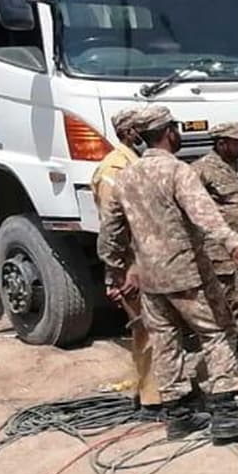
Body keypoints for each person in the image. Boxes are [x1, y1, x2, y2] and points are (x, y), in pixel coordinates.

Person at [98, 106, 238, 443]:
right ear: (169, 132)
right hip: (187, 273)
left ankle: (179, 415)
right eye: (175, 129)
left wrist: (114, 272)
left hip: (150, 278)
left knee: (166, 341)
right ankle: (226, 413)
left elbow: (110, 233)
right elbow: (204, 214)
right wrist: (235, 244)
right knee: (217, 332)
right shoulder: (177, 170)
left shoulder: (127, 176)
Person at [90, 110, 156, 407]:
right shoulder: (114, 169)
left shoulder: (134, 163)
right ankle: (152, 399)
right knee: (145, 330)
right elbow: (112, 228)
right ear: (129, 133)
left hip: (148, 260)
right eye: (141, 129)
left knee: (156, 329)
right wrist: (121, 271)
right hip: (132, 265)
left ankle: (156, 391)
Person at [193, 121, 238, 361]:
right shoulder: (202, 169)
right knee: (231, 299)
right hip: (220, 247)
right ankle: (230, 352)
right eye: (237, 143)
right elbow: (194, 207)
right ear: (221, 144)